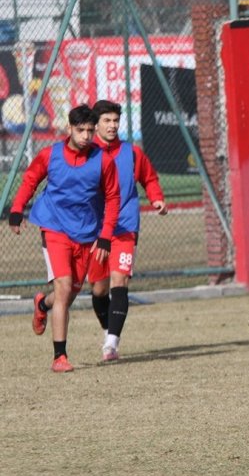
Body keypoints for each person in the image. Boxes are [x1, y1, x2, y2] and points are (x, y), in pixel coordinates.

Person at [34, 100, 168, 362]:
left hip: (125, 227)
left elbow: (149, 178)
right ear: (95, 126)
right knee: (96, 291)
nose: (112, 126)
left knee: (121, 280)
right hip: (96, 231)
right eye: (106, 121)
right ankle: (44, 304)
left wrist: (156, 198)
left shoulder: (132, 153)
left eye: (116, 121)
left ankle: (111, 342)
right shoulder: (88, 154)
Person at [9, 104, 120, 372]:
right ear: (69, 128)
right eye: (80, 130)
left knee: (67, 295)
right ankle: (60, 356)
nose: (85, 136)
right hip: (54, 227)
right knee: (63, 285)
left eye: (90, 131)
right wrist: (16, 209)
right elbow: (30, 180)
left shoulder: (103, 160)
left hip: (86, 233)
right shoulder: (50, 155)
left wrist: (105, 236)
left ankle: (41, 304)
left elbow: (114, 198)